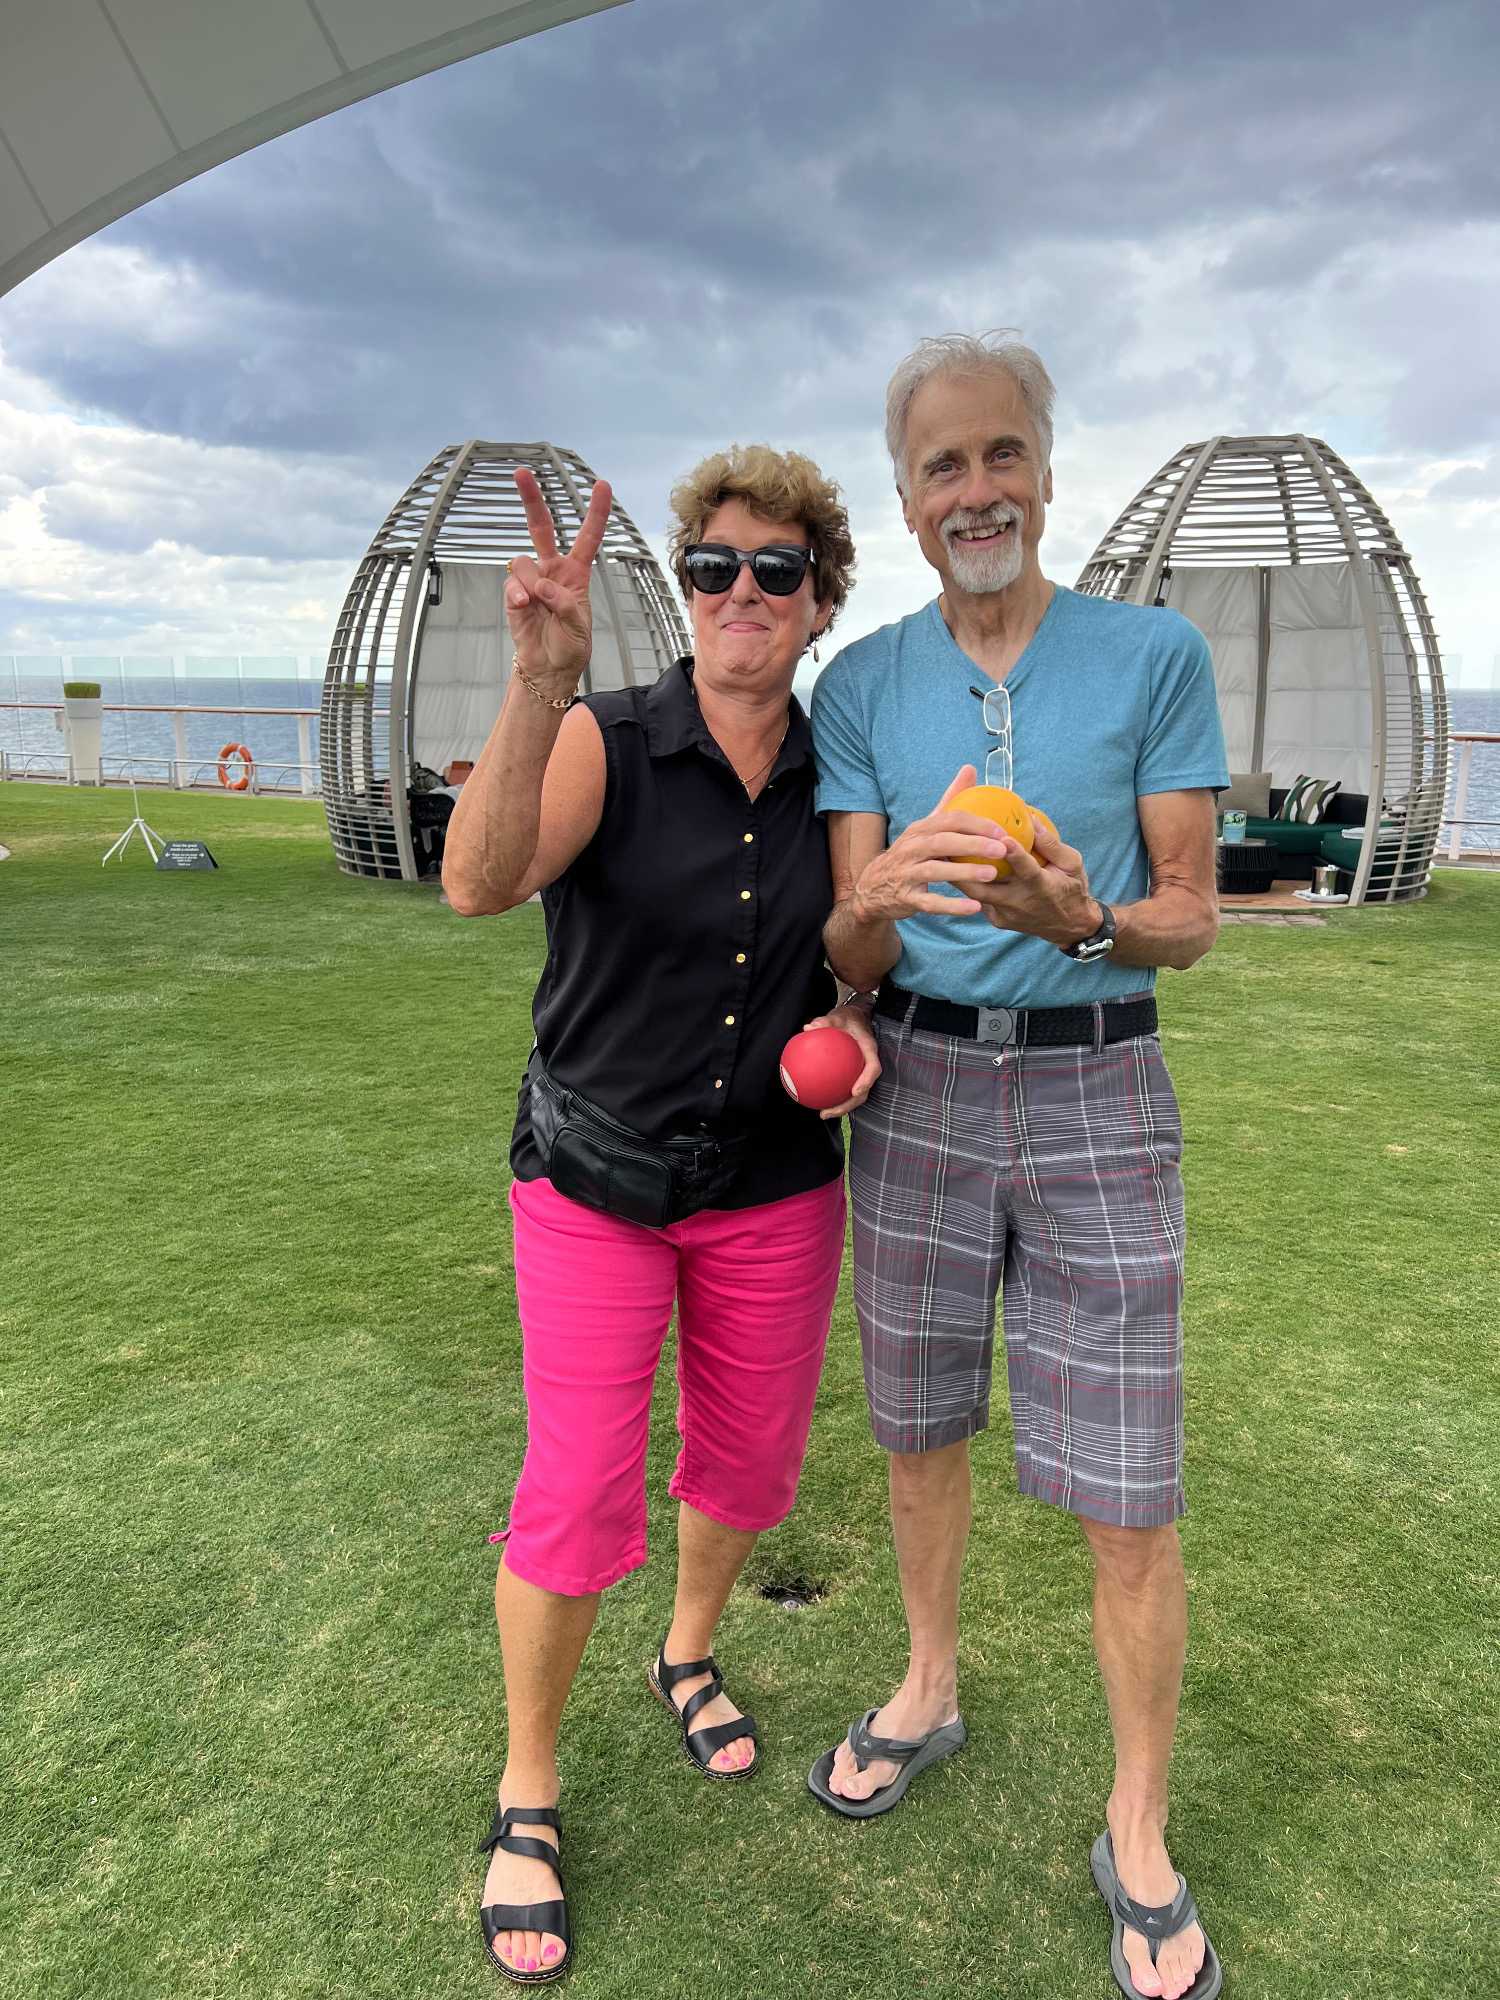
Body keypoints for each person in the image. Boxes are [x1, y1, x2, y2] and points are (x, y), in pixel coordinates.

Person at [807, 333, 1229, 2000]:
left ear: (1047, 474)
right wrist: (872, 899)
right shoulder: (862, 686)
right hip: (912, 1090)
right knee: (918, 1429)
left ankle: (1139, 1824)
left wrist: (1088, 920)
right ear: (906, 499)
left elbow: (1190, 915)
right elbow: (848, 944)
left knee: (1129, 1488)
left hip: (1098, 1087)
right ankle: (927, 1686)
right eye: (942, 466)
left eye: (1001, 456)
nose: (974, 491)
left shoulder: (1152, 656)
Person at [442, 447, 874, 1985]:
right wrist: (537, 681)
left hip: (772, 1187)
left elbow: (861, 944)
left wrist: (857, 1021)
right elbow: (478, 884)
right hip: (598, 1182)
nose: (743, 591)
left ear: (818, 599)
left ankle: (686, 1649)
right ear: (685, 587)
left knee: (749, 1466)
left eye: (777, 569)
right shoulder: (602, 737)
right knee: (573, 1491)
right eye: (714, 565)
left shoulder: (844, 775)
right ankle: (529, 1785)